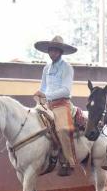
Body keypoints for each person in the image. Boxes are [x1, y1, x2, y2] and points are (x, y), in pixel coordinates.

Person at [33, 36, 77, 176]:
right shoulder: (46, 68)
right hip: (47, 104)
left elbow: (66, 90)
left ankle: (68, 162)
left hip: (61, 104)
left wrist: (47, 96)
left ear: (60, 52)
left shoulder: (67, 68)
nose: (52, 53)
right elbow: (43, 87)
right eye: (50, 50)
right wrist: (40, 94)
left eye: (55, 51)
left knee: (63, 129)